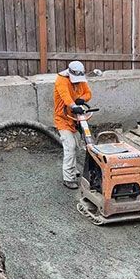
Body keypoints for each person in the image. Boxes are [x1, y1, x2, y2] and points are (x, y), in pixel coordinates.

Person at [53, 60, 92, 189]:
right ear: (69, 73)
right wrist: (74, 106)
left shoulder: (81, 80)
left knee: (77, 146)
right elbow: (66, 97)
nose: (77, 81)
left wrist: (83, 99)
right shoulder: (61, 80)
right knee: (70, 147)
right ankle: (68, 178)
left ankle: (73, 170)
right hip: (63, 119)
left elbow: (88, 93)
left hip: (75, 119)